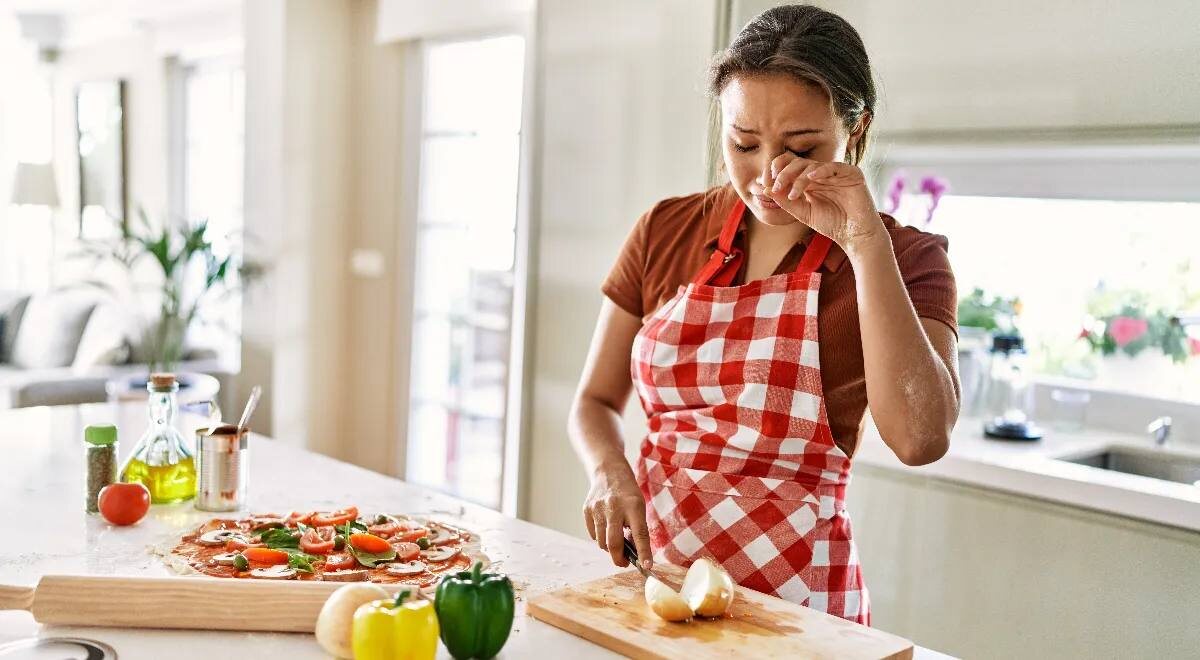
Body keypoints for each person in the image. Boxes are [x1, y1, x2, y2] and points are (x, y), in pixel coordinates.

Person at [567, 4, 960, 625]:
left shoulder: (908, 259)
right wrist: (608, 472)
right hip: (658, 584)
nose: (767, 175)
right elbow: (593, 401)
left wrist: (863, 242)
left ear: (855, 129)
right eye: (743, 144)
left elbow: (920, 440)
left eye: (801, 147)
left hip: (800, 608)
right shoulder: (665, 229)